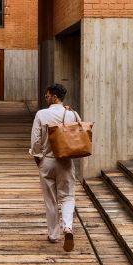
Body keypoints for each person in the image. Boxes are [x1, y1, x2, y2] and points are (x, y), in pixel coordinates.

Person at [29, 83, 80, 252]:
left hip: (47, 161)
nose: (46, 98)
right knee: (67, 196)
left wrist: (38, 158)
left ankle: (53, 235)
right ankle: (67, 227)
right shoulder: (71, 114)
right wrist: (72, 113)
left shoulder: (42, 115)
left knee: (50, 199)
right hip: (65, 161)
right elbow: (81, 132)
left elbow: (35, 140)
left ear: (54, 96)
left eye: (47, 96)